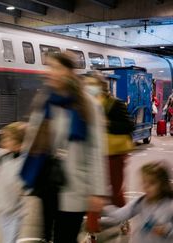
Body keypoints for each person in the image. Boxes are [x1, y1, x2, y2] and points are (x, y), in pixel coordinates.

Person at [21, 54, 109, 243]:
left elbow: (95, 150)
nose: (51, 73)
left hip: (74, 183)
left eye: (56, 68)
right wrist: (22, 174)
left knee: (66, 237)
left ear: (69, 72)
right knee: (46, 236)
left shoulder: (88, 104)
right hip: (46, 180)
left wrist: (97, 190)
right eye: (49, 68)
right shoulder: (45, 99)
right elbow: (32, 139)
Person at [84, 73, 135, 237]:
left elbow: (128, 126)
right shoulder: (86, 105)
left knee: (115, 193)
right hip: (94, 154)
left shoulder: (115, 104)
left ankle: (123, 218)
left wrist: (107, 124)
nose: (88, 88)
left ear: (101, 87)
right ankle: (92, 229)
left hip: (114, 154)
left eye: (91, 84)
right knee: (94, 192)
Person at [101, 162, 173, 243]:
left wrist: (167, 230)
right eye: (144, 182)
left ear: (162, 185)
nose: (146, 186)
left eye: (152, 183)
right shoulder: (140, 202)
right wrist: (103, 206)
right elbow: (120, 215)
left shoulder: (169, 205)